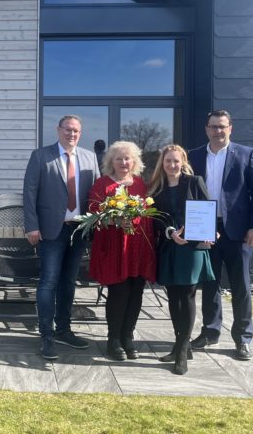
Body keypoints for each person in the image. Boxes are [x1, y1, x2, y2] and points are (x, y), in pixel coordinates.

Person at [188, 110, 253, 361]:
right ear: (206, 129)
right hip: (205, 229)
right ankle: (210, 332)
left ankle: (243, 338)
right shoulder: (194, 156)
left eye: (222, 126)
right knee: (209, 284)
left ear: (230, 128)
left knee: (240, 285)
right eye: (213, 127)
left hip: (238, 231)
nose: (218, 131)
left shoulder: (246, 154)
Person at [23, 115, 99, 360]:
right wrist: (31, 226)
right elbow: (29, 193)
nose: (72, 134)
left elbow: (96, 194)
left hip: (78, 230)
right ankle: (46, 335)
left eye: (76, 130)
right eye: (67, 130)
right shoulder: (40, 156)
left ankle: (63, 330)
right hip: (50, 230)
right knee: (48, 282)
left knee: (69, 282)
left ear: (81, 132)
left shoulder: (89, 158)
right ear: (58, 130)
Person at [149, 144, 215, 375]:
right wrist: (170, 233)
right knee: (173, 296)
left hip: (192, 248)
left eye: (176, 161)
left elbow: (207, 210)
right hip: (169, 247)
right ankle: (180, 346)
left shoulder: (194, 182)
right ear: (162, 163)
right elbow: (155, 219)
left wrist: (211, 232)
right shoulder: (156, 188)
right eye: (168, 161)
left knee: (187, 295)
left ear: (183, 161)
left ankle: (182, 351)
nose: (172, 165)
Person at [87, 141, 156, 361]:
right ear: (111, 162)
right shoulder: (102, 184)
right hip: (113, 245)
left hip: (137, 246)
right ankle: (113, 339)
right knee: (118, 292)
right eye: (119, 158)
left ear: (134, 161)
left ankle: (128, 336)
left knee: (136, 291)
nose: (123, 162)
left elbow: (147, 211)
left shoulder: (140, 184)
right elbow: (93, 209)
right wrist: (114, 218)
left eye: (127, 158)